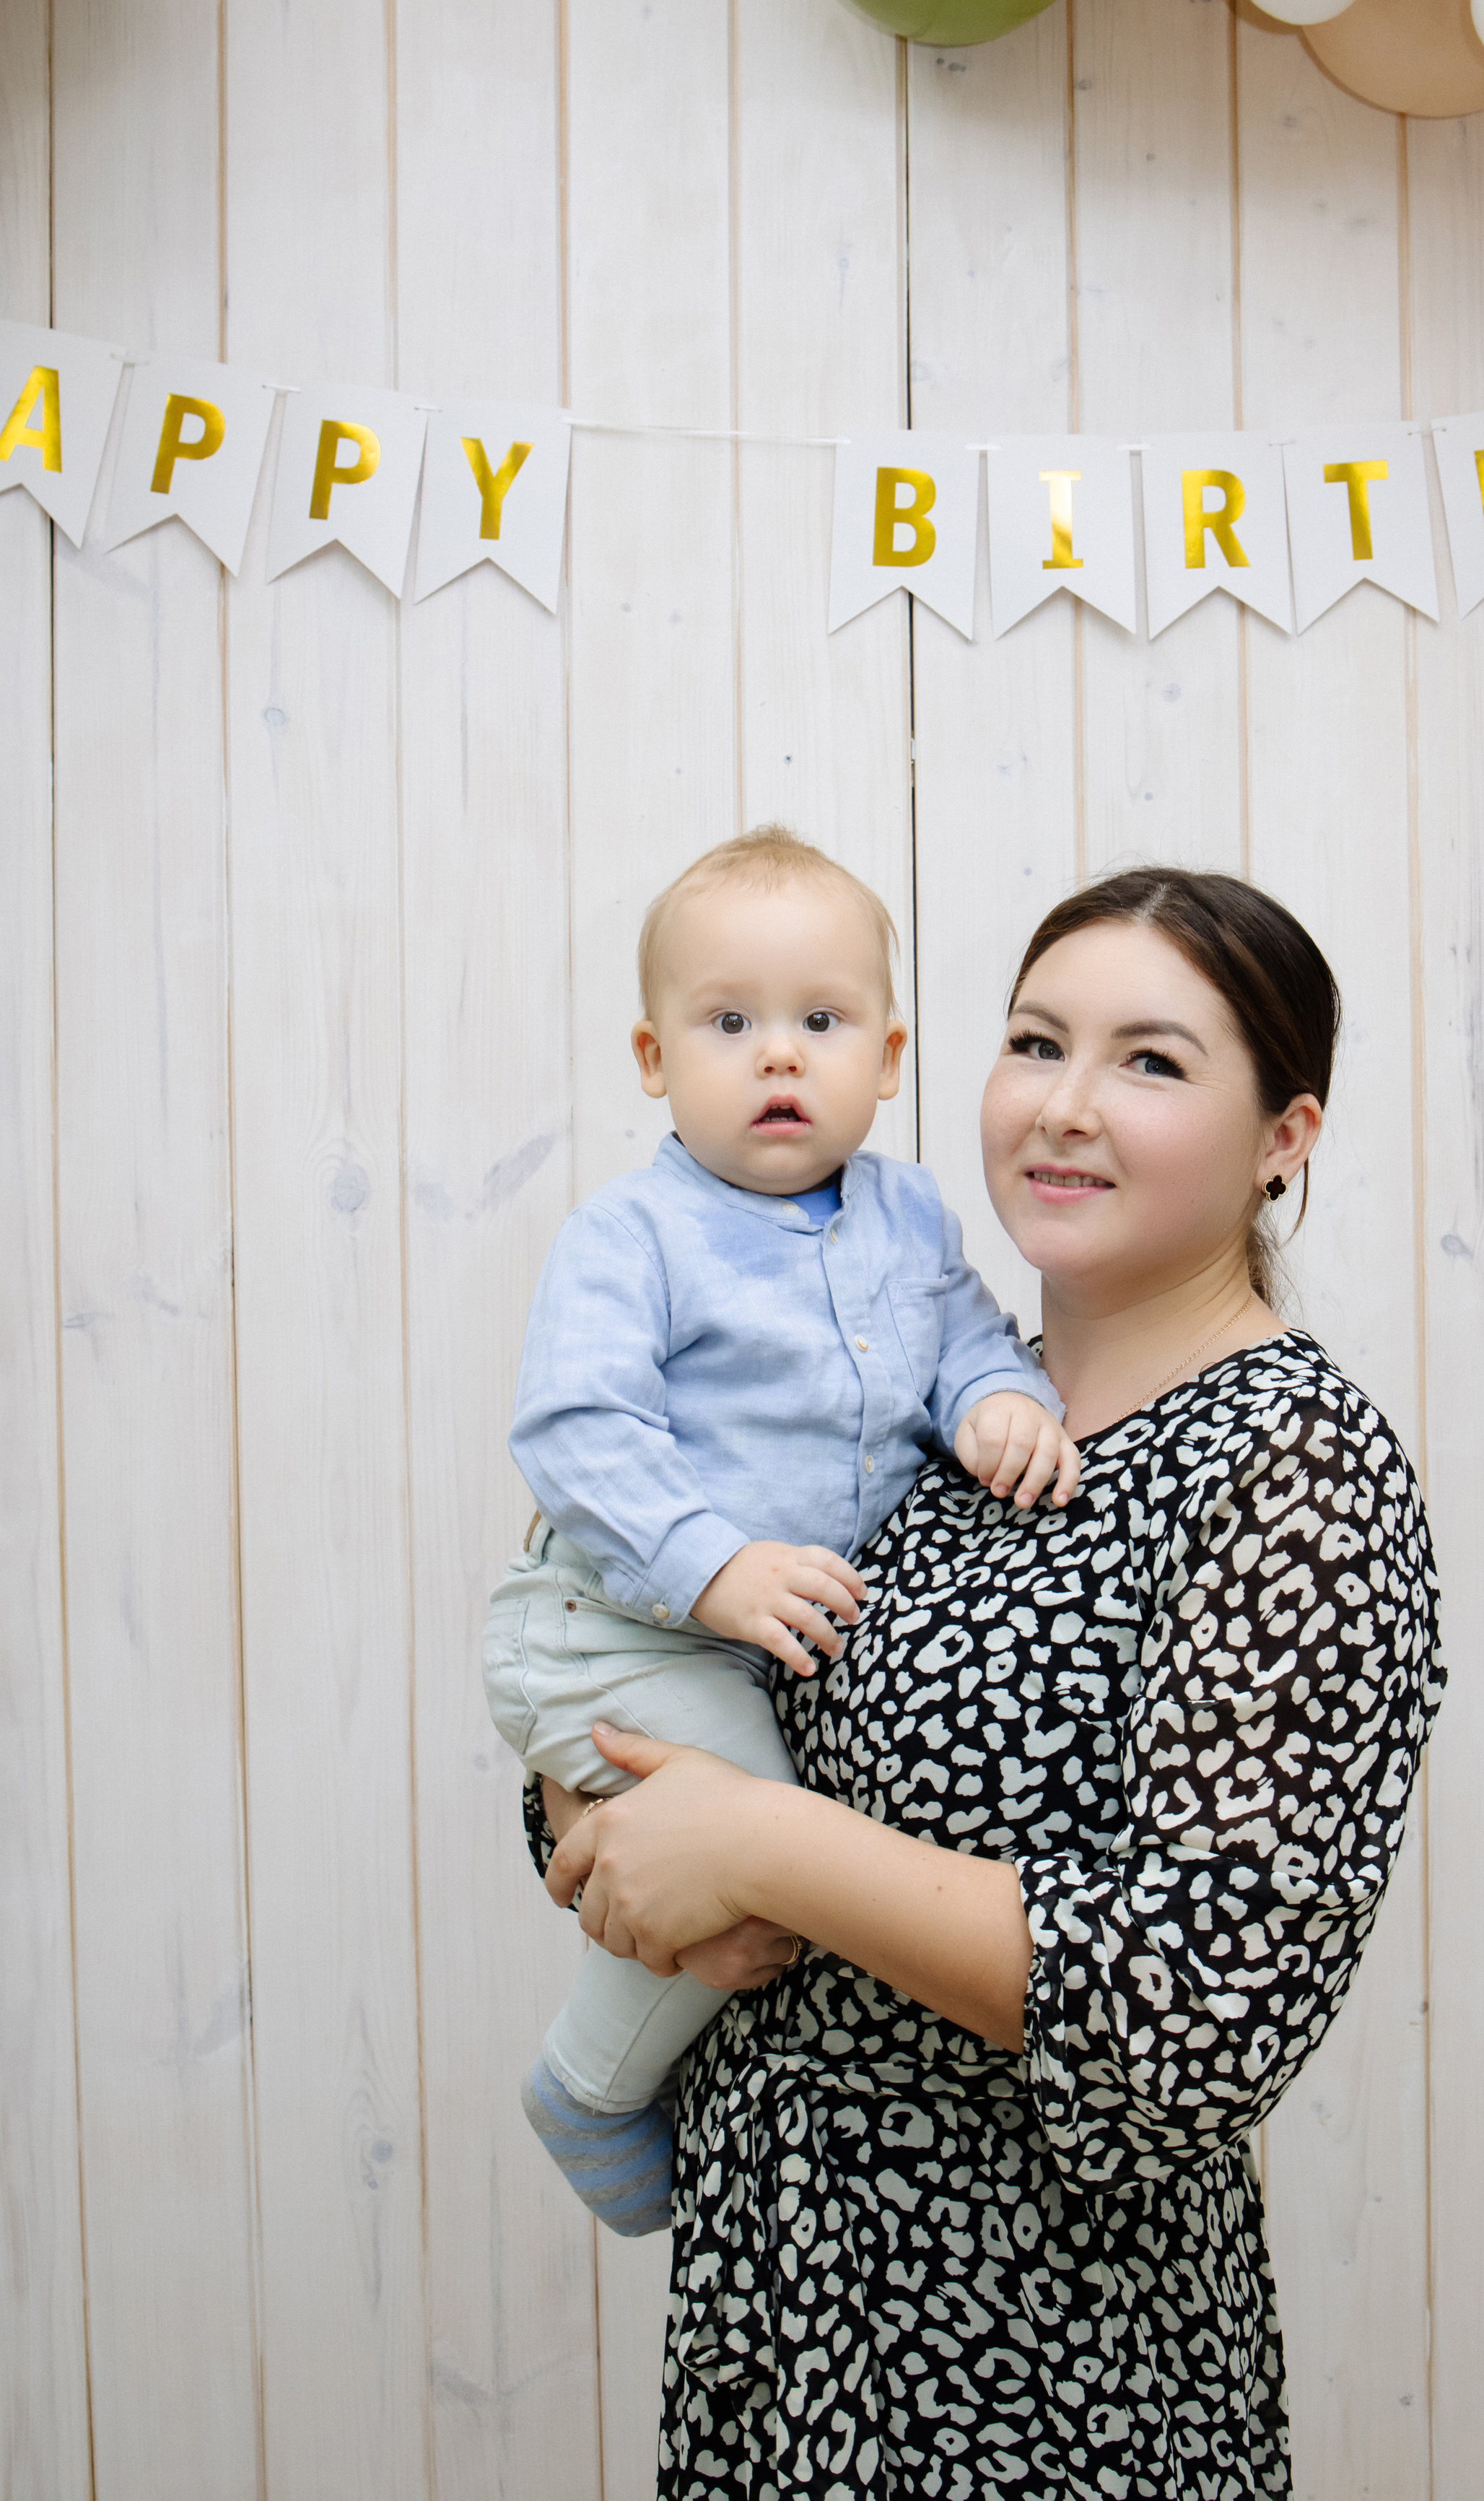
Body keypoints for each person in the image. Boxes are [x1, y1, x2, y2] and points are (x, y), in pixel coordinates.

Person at [538, 863, 1446, 2500]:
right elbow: (657, 1668)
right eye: (1034, 1042)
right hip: (778, 2344)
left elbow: (1201, 2014)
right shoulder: (933, 1419)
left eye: (1151, 1062)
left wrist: (756, 1850)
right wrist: (580, 1799)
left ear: (1283, 1139)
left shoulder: (1291, 1470)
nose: (1063, 1108)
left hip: (1042, 2380)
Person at [485, 826, 1080, 2236]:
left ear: (885, 1058)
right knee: (750, 1817)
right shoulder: (631, 1236)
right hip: (608, 1624)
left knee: (754, 1816)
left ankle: (649, 2033)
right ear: (651, 1060)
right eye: (728, 1022)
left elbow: (962, 1342)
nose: (776, 1058)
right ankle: (587, 2081)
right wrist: (713, 1562)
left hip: (725, 1654)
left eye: (820, 1022)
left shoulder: (904, 1213)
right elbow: (575, 1432)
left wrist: (999, 1402)